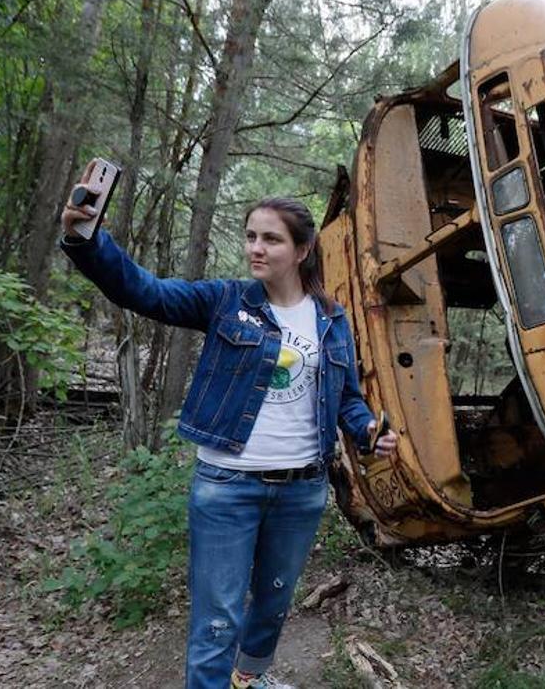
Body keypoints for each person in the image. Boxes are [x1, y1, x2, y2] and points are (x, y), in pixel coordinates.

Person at [60, 189, 396, 689]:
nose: (256, 248)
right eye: (251, 237)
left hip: (302, 490)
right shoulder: (224, 302)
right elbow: (143, 291)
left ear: (302, 250)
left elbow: (346, 398)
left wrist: (366, 428)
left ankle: (248, 680)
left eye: (271, 239)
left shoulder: (331, 318)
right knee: (217, 617)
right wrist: (84, 238)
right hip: (227, 486)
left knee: (274, 602)